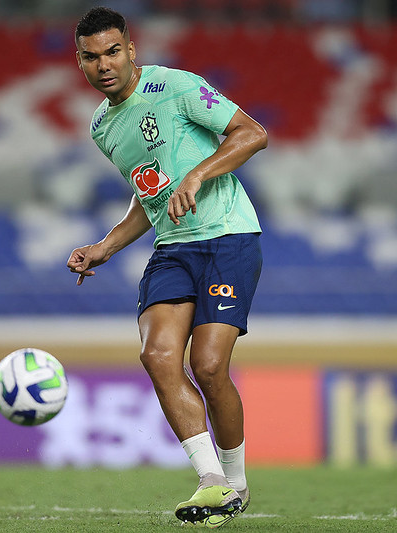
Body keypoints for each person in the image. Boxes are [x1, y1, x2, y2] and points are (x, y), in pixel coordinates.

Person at [67, 6, 267, 528]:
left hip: (228, 236)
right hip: (174, 246)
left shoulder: (175, 86)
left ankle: (237, 482)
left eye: (113, 51)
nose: (104, 64)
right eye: (92, 57)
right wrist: (106, 246)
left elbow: (251, 134)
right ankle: (211, 483)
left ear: (132, 50)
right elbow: (148, 192)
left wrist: (197, 175)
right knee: (157, 354)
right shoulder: (102, 128)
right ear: (81, 64)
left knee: (207, 365)